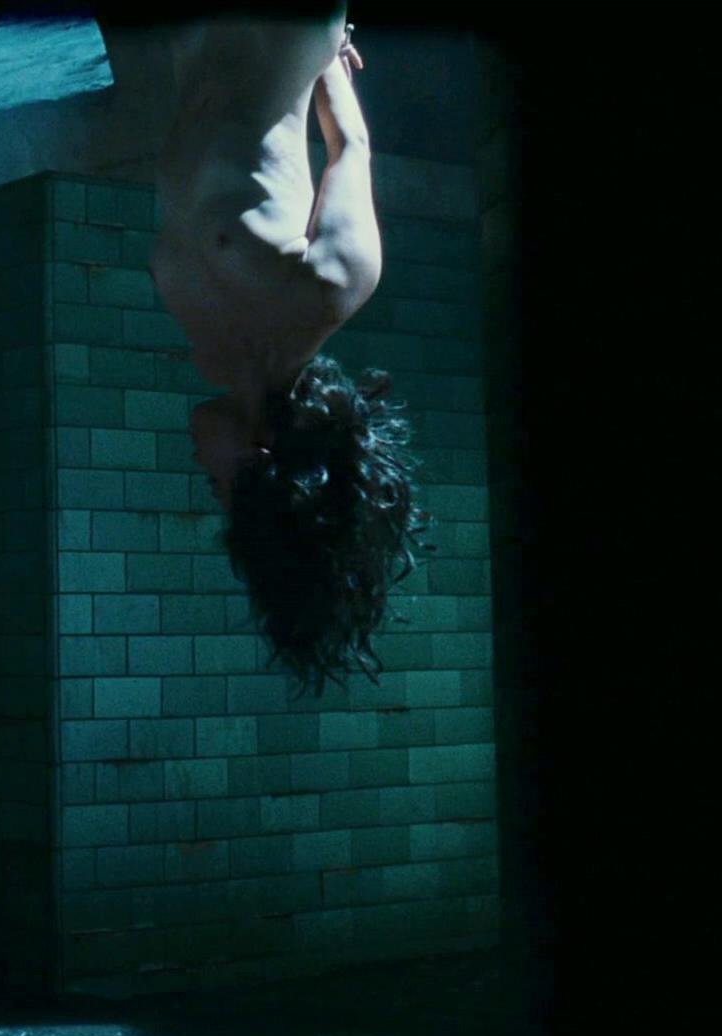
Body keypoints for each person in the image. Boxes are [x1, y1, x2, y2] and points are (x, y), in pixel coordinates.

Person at [150, 7, 425, 693]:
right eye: (217, 485)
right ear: (263, 461)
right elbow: (350, 149)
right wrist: (331, 54)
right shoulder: (327, 290)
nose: (200, 469)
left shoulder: (204, 344)